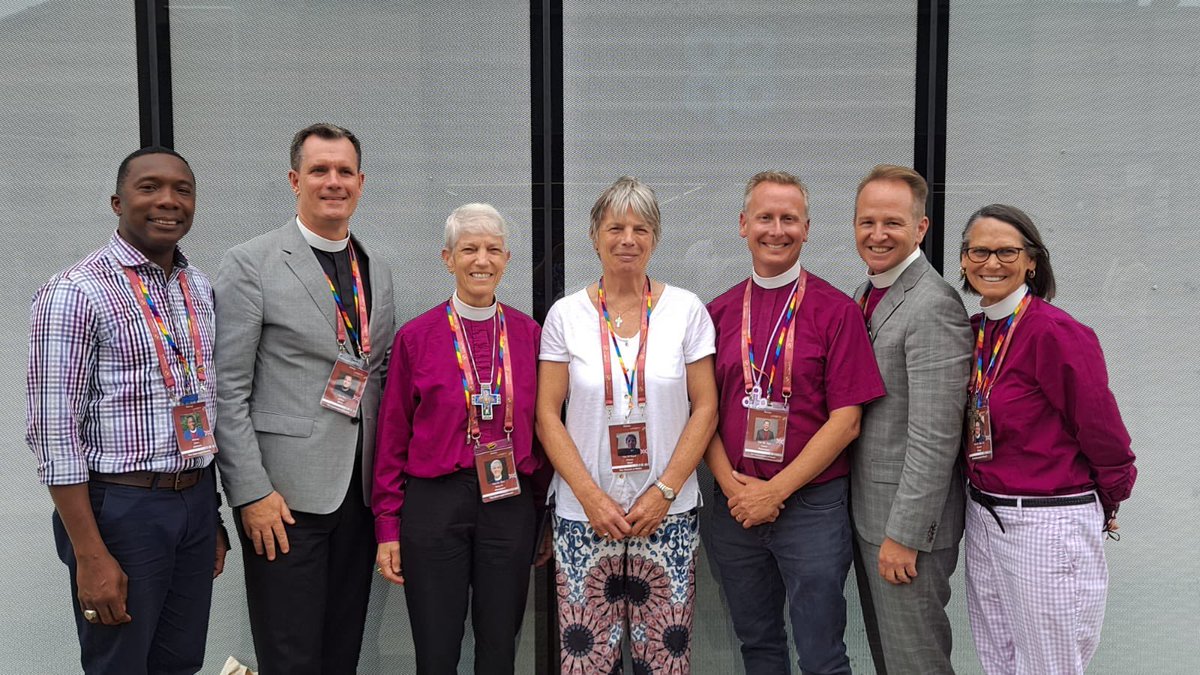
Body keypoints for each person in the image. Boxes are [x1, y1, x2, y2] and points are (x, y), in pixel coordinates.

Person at [26, 147, 227, 674]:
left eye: (182, 190)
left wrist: (214, 515)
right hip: (121, 508)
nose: (168, 201)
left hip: (194, 501)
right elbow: (53, 435)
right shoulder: (74, 292)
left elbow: (207, 402)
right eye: (149, 188)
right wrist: (90, 556)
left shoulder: (197, 287)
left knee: (180, 662)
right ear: (118, 201)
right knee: (119, 663)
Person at [214, 124, 395, 675]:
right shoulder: (251, 263)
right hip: (283, 503)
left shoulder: (377, 271)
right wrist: (250, 494)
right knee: (290, 656)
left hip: (357, 501)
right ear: (295, 180)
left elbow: (378, 378)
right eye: (319, 170)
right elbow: (227, 390)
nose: (333, 181)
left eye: (344, 171)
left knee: (343, 652)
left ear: (361, 183)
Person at [705, 171, 885, 675]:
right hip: (736, 507)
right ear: (744, 225)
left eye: (789, 219)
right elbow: (702, 415)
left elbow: (847, 421)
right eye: (765, 217)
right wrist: (736, 491)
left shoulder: (837, 311)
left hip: (811, 509)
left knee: (822, 654)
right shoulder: (716, 313)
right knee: (758, 647)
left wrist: (774, 491)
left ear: (807, 229)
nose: (776, 230)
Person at [537, 176, 718, 674]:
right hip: (583, 514)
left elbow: (705, 407)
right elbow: (547, 415)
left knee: (666, 659)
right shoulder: (566, 315)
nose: (627, 239)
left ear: (655, 238)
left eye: (641, 228)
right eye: (615, 227)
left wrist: (664, 490)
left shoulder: (686, 311)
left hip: (669, 512)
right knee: (586, 659)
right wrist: (592, 499)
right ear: (594, 236)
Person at [958, 204, 1136, 674]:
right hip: (984, 514)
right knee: (997, 659)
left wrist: (1111, 498)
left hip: (1044, 522)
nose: (990, 263)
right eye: (979, 251)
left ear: (1032, 261)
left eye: (1006, 251)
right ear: (962, 260)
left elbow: (1102, 430)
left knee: (1048, 667)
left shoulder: (1056, 333)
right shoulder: (974, 333)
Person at [373, 203, 543, 674]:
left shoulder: (530, 335)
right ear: (447, 258)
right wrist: (388, 525)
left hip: (509, 501)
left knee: (499, 644)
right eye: (468, 248)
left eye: (492, 249)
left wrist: (542, 512)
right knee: (436, 645)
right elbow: (392, 439)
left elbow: (547, 429)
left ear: (507, 258)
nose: (481, 260)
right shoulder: (417, 337)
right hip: (435, 504)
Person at [848, 165, 972, 675]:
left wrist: (906, 534)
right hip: (872, 513)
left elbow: (935, 435)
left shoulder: (933, 304)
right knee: (891, 658)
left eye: (893, 223)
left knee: (915, 663)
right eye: (866, 221)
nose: (878, 235)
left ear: (921, 228)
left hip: (904, 529)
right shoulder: (870, 289)